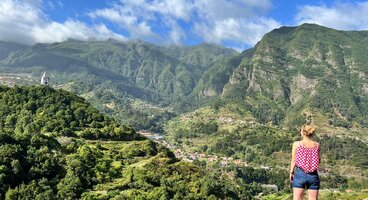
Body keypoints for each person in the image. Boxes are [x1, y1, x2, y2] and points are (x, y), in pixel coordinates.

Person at [289, 124, 320, 200]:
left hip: (300, 173)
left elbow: (293, 160)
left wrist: (291, 172)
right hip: (313, 175)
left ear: (302, 132)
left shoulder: (296, 144)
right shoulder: (317, 145)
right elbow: (319, 160)